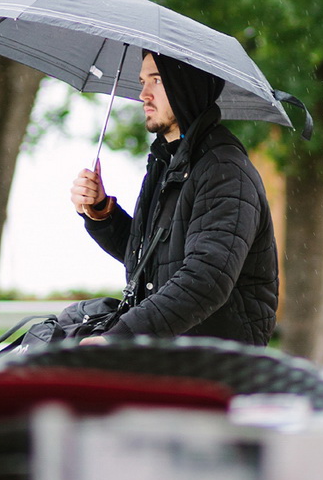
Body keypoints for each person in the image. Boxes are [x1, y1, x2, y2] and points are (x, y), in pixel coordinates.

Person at [70, 50, 279, 346]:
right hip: (170, 354)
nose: (143, 94)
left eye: (156, 80)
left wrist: (119, 339)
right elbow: (153, 260)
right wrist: (102, 213)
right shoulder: (166, 163)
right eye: (142, 81)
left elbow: (205, 281)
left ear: (186, 85)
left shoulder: (223, 169)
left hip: (215, 366)